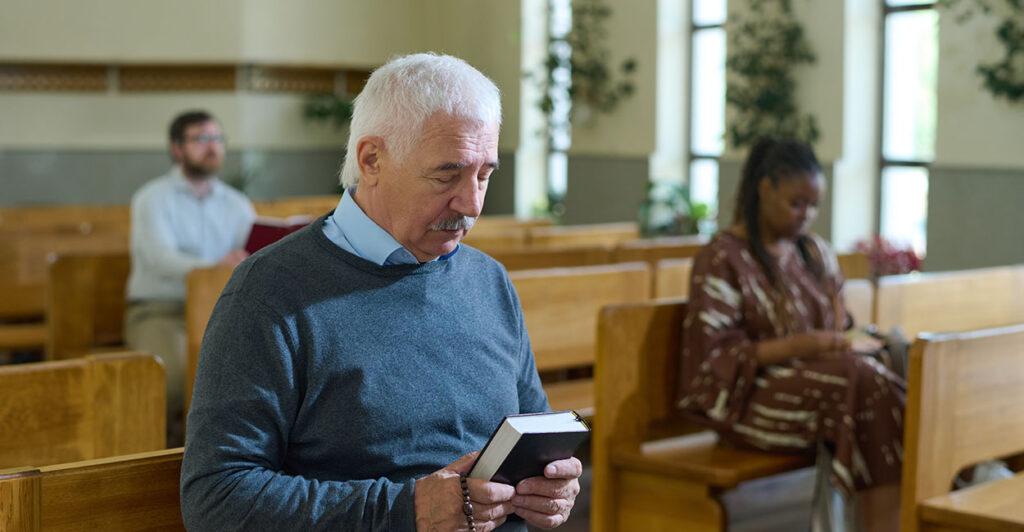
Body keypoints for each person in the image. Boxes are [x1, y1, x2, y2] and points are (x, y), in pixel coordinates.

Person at [180, 53, 582, 531]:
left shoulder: (488, 280)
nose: (472, 203)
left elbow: (533, 438)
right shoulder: (268, 293)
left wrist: (552, 490)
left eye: (485, 174)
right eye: (446, 174)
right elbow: (217, 498)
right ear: (372, 160)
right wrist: (406, 510)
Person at [674, 137, 906, 531]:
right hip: (747, 399)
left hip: (822, 387)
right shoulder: (722, 258)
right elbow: (713, 361)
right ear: (764, 188)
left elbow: (840, 325)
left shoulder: (813, 252)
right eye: (797, 203)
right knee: (867, 385)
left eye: (814, 205)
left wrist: (856, 340)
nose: (807, 215)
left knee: (896, 364)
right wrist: (799, 345)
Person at [125, 110, 256, 447]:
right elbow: (160, 259)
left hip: (222, 311)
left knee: (257, 374)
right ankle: (158, 457)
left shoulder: (238, 205)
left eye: (217, 139)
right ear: (177, 149)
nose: (212, 147)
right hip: (160, 310)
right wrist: (215, 265)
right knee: (174, 379)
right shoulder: (151, 198)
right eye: (201, 139)